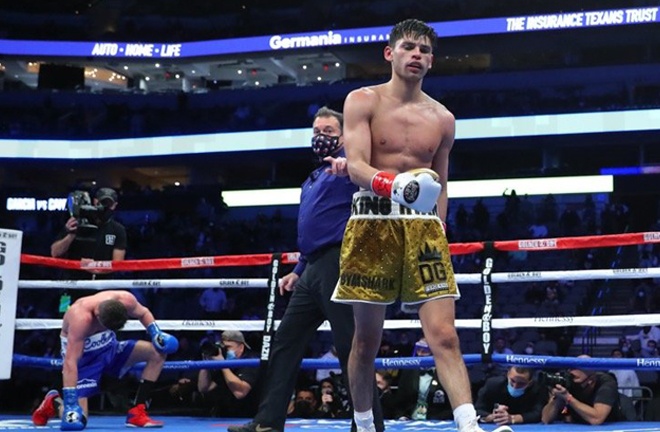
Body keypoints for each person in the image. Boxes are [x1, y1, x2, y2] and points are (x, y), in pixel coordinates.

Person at [331, 18, 512, 432]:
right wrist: (395, 185)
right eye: (409, 47)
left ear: (432, 60)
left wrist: (440, 231)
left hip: (424, 231)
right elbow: (356, 166)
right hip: (372, 223)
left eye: (425, 50)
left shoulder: (443, 118)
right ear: (389, 53)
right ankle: (363, 424)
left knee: (444, 334)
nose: (417, 55)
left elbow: (442, 184)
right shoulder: (363, 100)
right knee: (366, 341)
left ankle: (469, 426)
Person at [229, 106, 384, 432]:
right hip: (312, 267)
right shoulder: (312, 178)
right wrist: (298, 269)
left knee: (350, 345)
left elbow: (372, 177)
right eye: (317, 131)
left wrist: (351, 165)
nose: (321, 137)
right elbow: (312, 231)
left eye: (328, 131)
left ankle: (370, 425)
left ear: (343, 135)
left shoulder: (351, 165)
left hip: (340, 261)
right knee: (285, 340)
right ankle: (267, 422)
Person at [31, 290, 178, 429]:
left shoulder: (125, 299)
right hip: (85, 362)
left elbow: (143, 312)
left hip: (111, 349)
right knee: (78, 422)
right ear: (98, 315)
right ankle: (54, 401)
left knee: (157, 352)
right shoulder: (80, 318)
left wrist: (155, 333)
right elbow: (71, 362)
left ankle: (137, 412)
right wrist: (70, 401)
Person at [51, 187, 127, 281]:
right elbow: (55, 253)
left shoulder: (118, 230)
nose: (105, 207)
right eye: (102, 202)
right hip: (74, 282)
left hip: (103, 285)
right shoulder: (76, 222)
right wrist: (71, 234)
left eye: (109, 204)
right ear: (95, 201)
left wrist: (95, 268)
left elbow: (117, 263)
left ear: (114, 205)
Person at [541, 355, 627, 425]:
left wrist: (568, 397)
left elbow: (597, 419)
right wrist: (556, 398)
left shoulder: (606, 383)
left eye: (576, 378)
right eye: (571, 369)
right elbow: (545, 419)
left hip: (608, 427)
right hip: (577, 427)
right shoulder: (568, 380)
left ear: (590, 380)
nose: (572, 380)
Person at [197, 330, 259, 418]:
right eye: (223, 347)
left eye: (228, 347)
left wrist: (223, 365)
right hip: (224, 417)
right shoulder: (225, 360)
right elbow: (204, 388)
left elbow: (240, 393)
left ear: (241, 347)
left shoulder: (251, 361)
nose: (225, 350)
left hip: (248, 418)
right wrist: (206, 363)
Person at [394, 339, 452, 421]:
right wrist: (402, 416)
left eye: (425, 351)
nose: (420, 354)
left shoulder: (446, 373)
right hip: (410, 420)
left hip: (437, 421)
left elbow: (450, 405)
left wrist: (438, 420)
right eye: (418, 350)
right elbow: (400, 400)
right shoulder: (409, 372)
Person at [475, 366, 547, 426]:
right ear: (508, 374)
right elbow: (477, 409)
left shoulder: (538, 389)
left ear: (530, 382)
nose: (515, 386)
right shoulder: (493, 385)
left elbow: (538, 413)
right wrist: (493, 417)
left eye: (521, 383)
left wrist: (513, 418)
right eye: (512, 381)